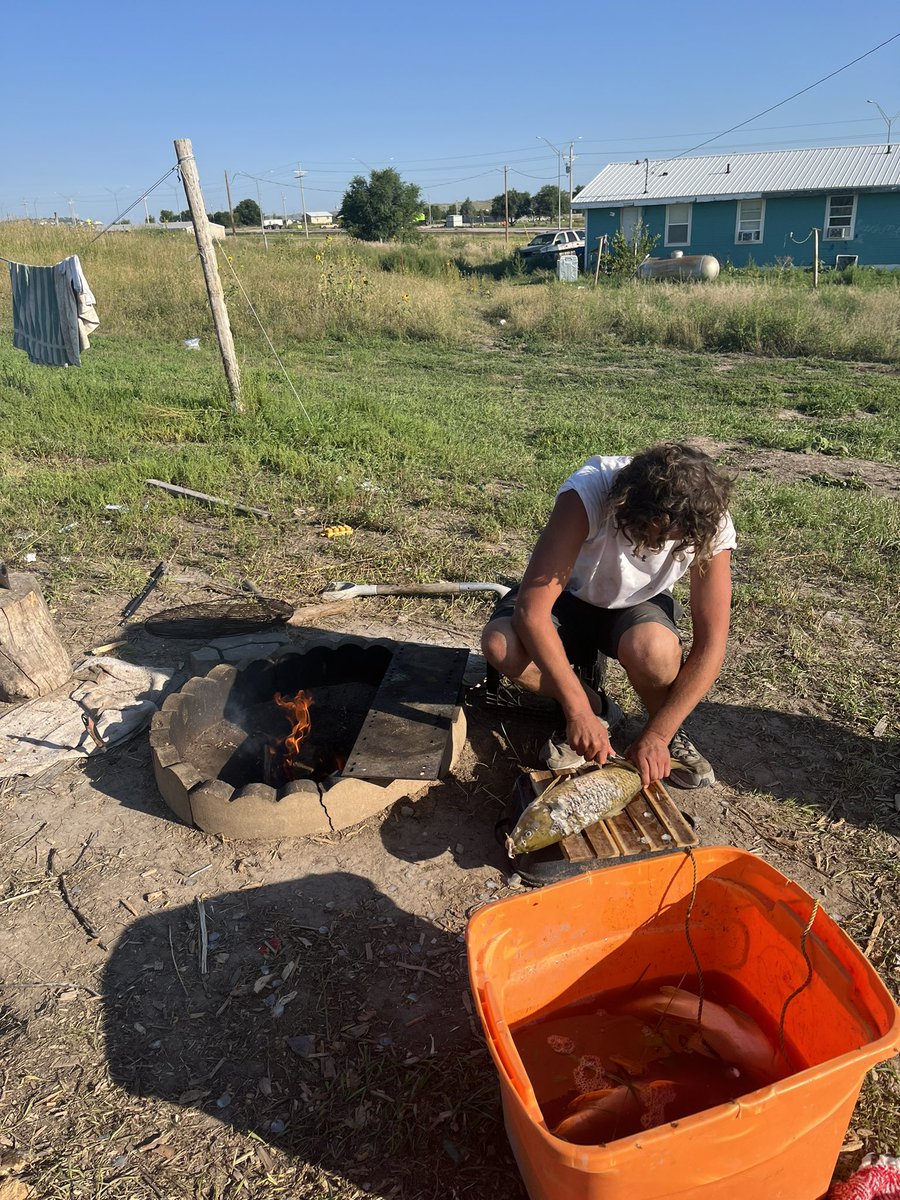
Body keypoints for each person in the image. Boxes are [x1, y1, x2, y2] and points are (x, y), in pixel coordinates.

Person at [481, 443, 735, 789]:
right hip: (566, 595)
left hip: (639, 601)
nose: (654, 546)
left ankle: (665, 729)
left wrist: (659, 735)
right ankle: (597, 709)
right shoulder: (588, 492)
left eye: (667, 540)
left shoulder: (708, 520)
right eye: (649, 534)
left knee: (655, 651)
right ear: (625, 505)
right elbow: (532, 612)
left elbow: (711, 645)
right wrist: (578, 711)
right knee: (502, 645)